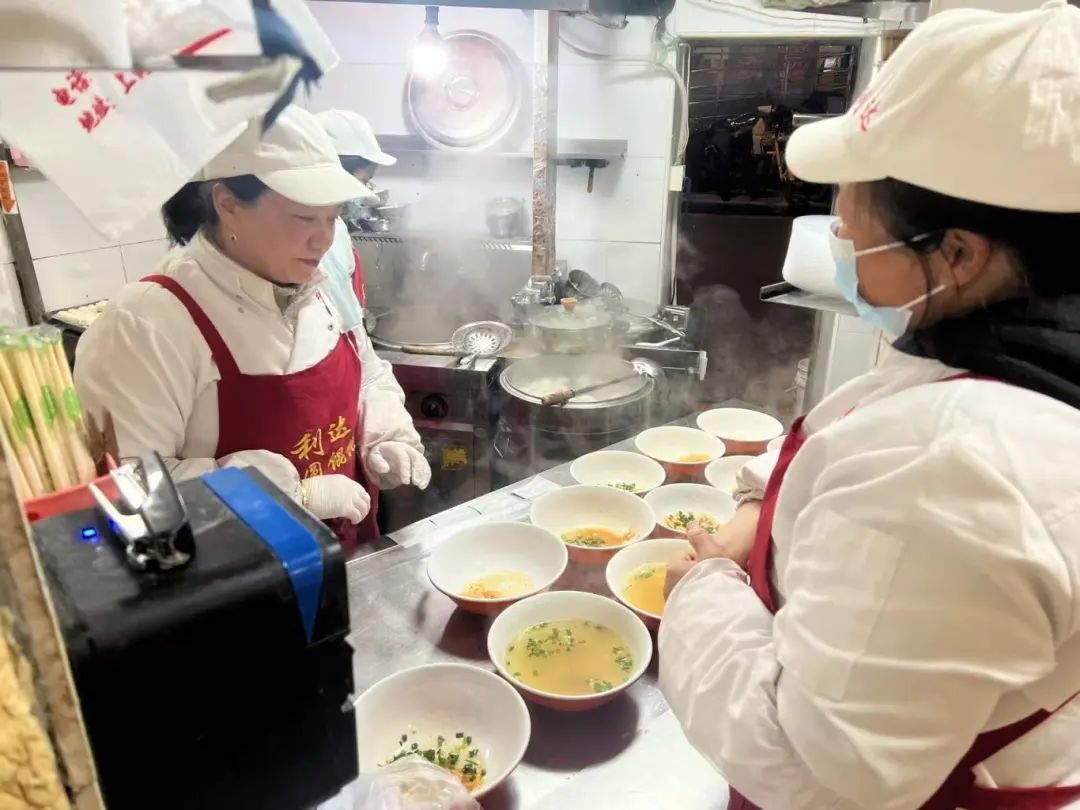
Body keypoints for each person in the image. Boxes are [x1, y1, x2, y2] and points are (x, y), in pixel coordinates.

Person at [659, 3, 1080, 809]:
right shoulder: (995, 356)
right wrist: (755, 515)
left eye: (854, 211)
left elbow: (809, 768)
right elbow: (865, 432)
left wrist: (701, 590)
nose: (840, 230)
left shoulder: (955, 471)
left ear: (958, 253)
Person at [75, 106, 430, 552]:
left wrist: (386, 434)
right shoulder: (146, 323)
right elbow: (130, 489)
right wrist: (291, 495)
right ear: (228, 204)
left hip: (347, 556)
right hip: (240, 579)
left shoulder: (319, 281)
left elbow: (369, 375)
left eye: (332, 217)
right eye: (304, 218)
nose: (323, 239)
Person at [314, 109, 397, 330]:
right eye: (364, 181)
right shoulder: (305, 238)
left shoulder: (337, 225)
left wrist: (356, 315)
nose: (365, 192)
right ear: (334, 174)